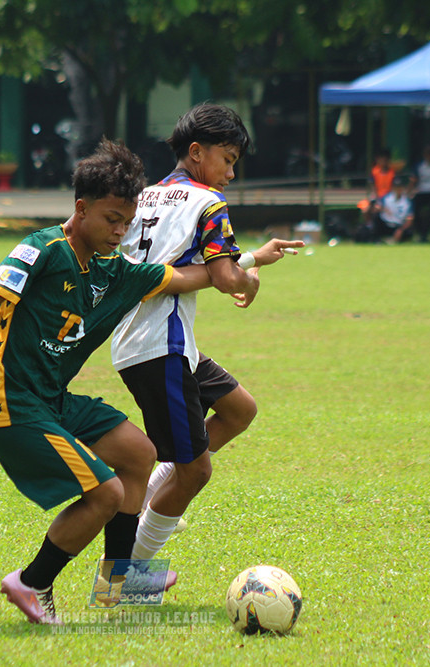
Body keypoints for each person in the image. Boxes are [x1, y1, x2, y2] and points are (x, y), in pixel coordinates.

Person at [0, 139, 217, 625]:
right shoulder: (42, 250)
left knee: (139, 454)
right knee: (107, 493)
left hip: (53, 401)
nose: (120, 231)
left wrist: (244, 263)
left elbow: (186, 278)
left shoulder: (116, 272)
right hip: (8, 402)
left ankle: (119, 584)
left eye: (127, 221)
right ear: (81, 208)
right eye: (111, 218)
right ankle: (32, 582)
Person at [110, 103, 303, 565]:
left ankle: (159, 496)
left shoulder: (147, 196)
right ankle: (130, 571)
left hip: (152, 342)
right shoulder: (209, 202)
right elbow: (224, 275)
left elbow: (177, 262)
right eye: (229, 159)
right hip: (160, 347)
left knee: (239, 409)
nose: (231, 173)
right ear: (197, 152)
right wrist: (249, 277)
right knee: (195, 472)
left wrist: (253, 257)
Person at [360, 149, 396, 237]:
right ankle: (369, 226)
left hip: (388, 198)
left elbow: (394, 187)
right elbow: (373, 187)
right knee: (365, 209)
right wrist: (377, 200)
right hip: (377, 197)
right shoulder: (374, 171)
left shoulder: (392, 172)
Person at [374, 174, 414, 243]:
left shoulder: (407, 201)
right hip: (386, 224)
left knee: (409, 231)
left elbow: (410, 219)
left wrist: (401, 229)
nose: (398, 190)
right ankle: (378, 239)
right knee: (376, 218)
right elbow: (376, 208)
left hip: (399, 225)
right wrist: (383, 209)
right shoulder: (385, 198)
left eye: (399, 187)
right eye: (396, 187)